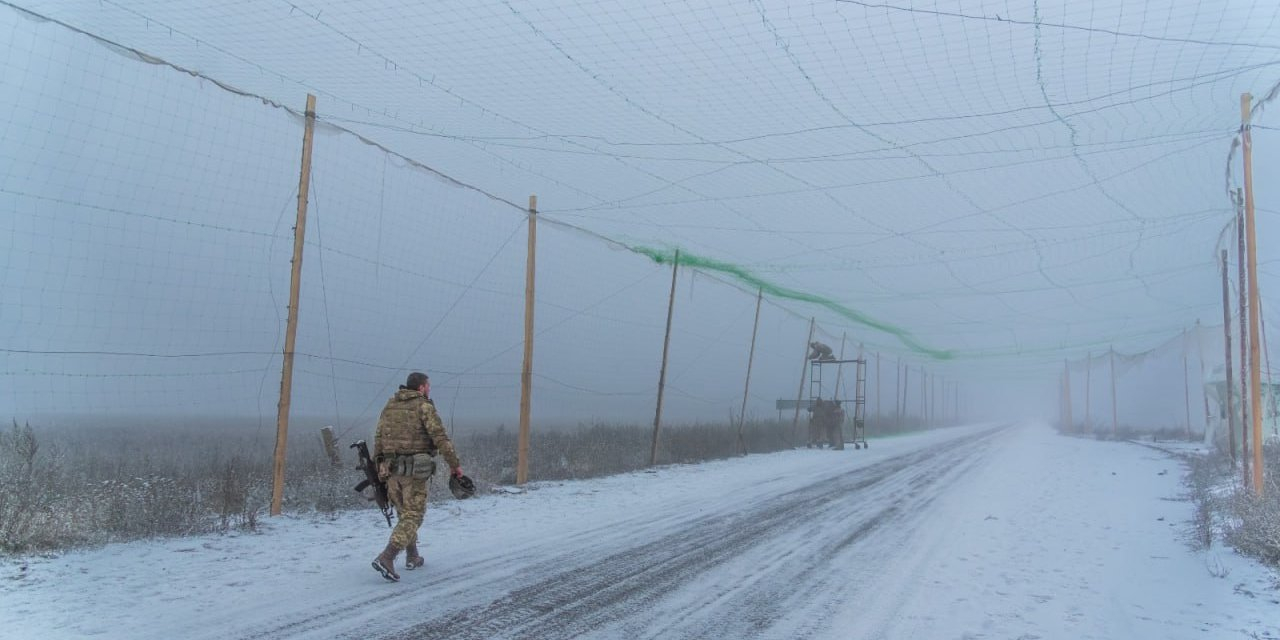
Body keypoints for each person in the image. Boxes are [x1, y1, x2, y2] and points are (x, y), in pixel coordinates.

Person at [371, 371, 464, 582]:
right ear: (421, 387)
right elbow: (439, 437)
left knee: (405, 513)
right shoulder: (423, 406)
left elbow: (378, 437)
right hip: (413, 472)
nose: (429, 389)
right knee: (414, 515)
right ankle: (387, 556)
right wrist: (454, 465)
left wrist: (380, 468)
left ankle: (412, 555)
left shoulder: (390, 405)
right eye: (428, 385)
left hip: (391, 471)